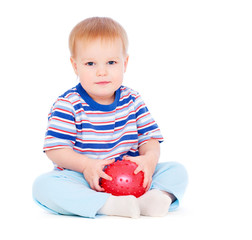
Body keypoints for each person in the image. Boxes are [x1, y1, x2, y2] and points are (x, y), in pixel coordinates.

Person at [32, 17, 188, 218]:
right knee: (43, 186)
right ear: (75, 66)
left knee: (176, 170)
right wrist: (86, 166)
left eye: (111, 62)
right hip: (83, 179)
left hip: (131, 175)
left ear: (125, 63)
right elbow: (56, 150)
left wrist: (149, 159)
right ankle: (109, 205)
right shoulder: (68, 104)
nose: (101, 71)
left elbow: (149, 138)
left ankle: (155, 198)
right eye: (90, 63)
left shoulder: (132, 99)